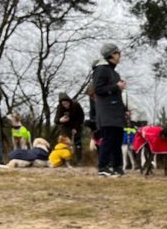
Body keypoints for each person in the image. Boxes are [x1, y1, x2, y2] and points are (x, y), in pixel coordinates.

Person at [93, 42, 127, 177]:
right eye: (118, 52)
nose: (120, 55)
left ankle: (117, 166)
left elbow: (116, 93)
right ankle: (103, 166)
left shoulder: (115, 73)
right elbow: (98, 89)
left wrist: (125, 110)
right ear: (112, 55)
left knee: (118, 139)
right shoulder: (101, 69)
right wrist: (116, 87)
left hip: (117, 112)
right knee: (108, 139)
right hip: (107, 112)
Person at [54, 92, 85, 165]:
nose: (65, 105)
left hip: (76, 125)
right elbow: (56, 120)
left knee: (78, 143)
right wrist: (60, 120)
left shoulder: (76, 105)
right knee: (64, 144)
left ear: (69, 101)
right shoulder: (59, 107)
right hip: (65, 127)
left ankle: (79, 161)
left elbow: (81, 117)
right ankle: (64, 161)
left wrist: (76, 128)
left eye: (66, 103)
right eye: (63, 104)